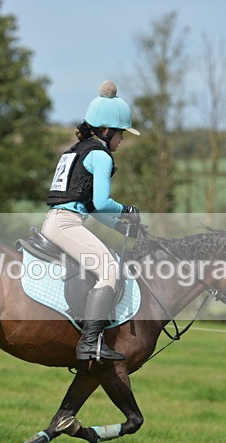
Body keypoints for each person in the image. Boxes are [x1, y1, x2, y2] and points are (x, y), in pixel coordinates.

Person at [42, 80, 141, 362]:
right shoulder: (100, 155)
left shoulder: (77, 149)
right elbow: (102, 203)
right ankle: (89, 344)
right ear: (108, 131)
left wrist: (120, 226)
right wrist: (127, 210)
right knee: (110, 270)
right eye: (121, 134)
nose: (122, 140)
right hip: (66, 224)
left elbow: (89, 206)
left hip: (59, 220)